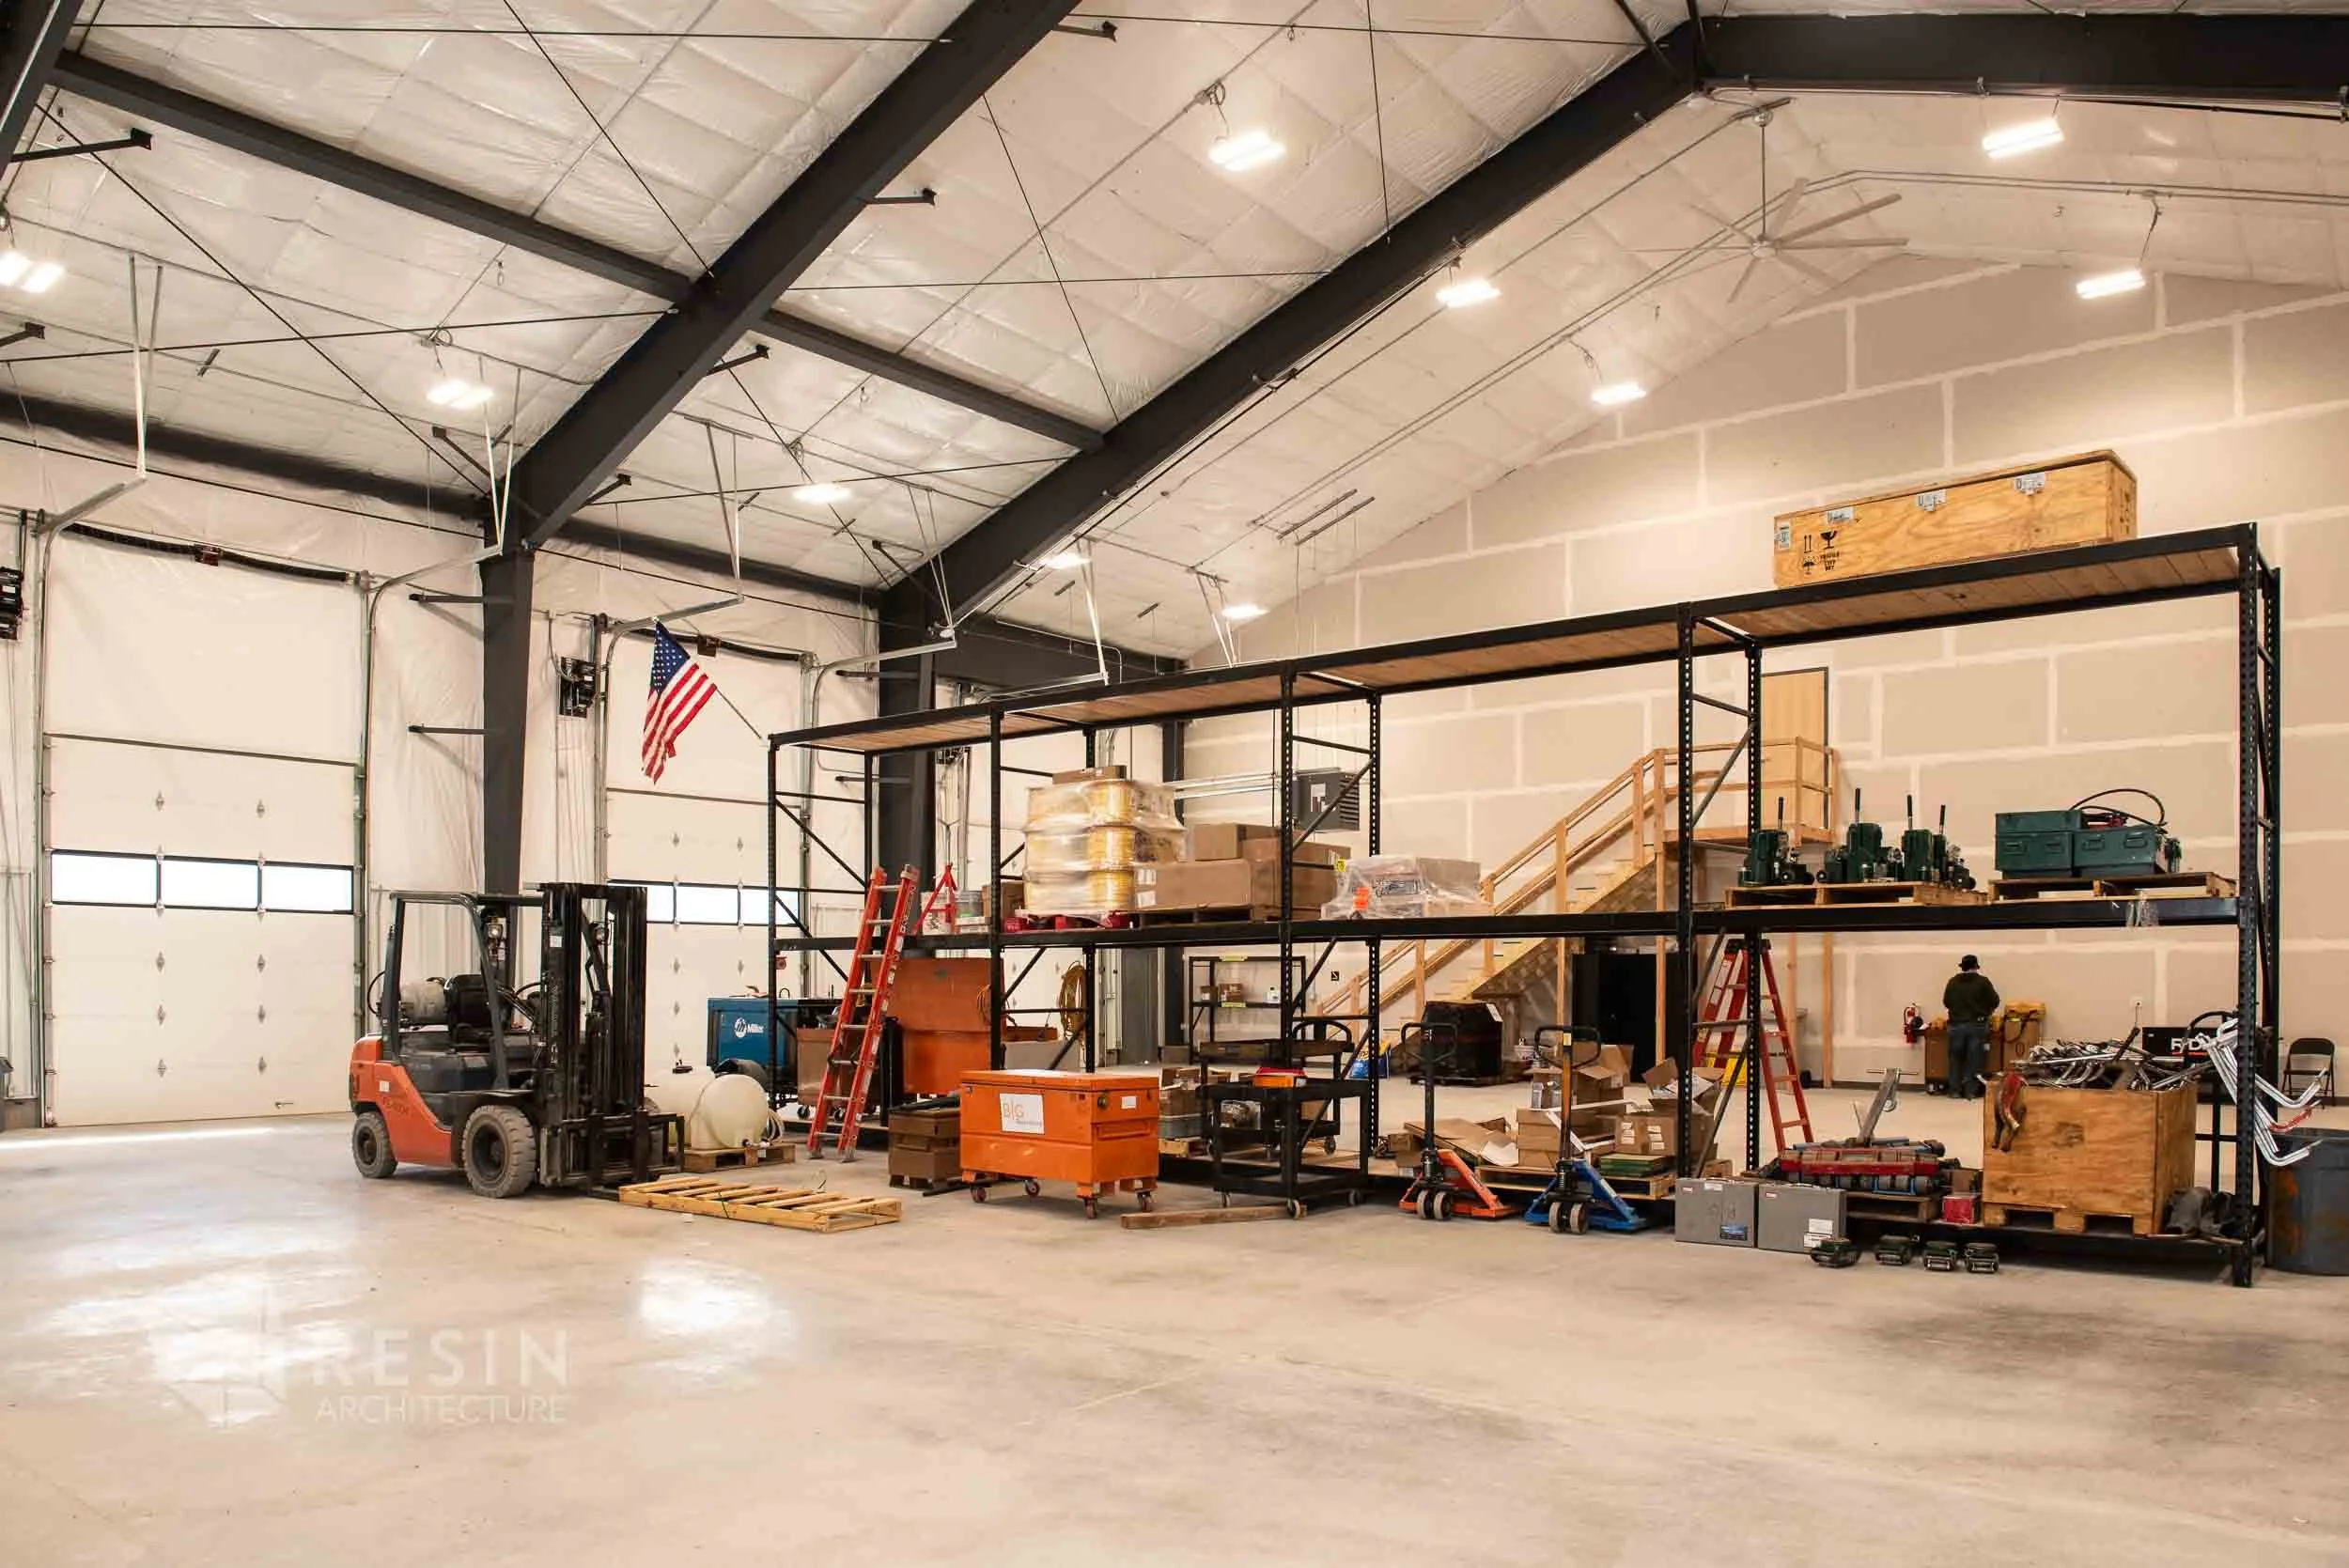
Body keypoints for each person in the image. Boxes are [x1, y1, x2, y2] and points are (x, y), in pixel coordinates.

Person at [1942, 955, 1999, 1100]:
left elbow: (1946, 1001)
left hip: (1956, 1025)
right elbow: (1995, 1000)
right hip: (1977, 1025)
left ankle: (1954, 1090)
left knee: (1955, 1059)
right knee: (1974, 1059)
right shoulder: (1983, 982)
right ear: (1975, 967)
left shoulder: (1953, 982)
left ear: (1962, 967)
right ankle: (1970, 1091)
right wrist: (1986, 1011)